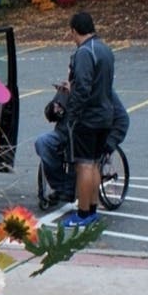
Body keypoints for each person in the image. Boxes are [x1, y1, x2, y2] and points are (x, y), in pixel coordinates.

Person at [59, 11, 115, 228]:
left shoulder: (84, 52)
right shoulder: (105, 49)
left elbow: (83, 86)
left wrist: (72, 115)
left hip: (88, 117)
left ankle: (82, 213)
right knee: (94, 164)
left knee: (83, 165)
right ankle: (91, 210)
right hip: (105, 114)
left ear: (74, 30)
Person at [35, 82, 127, 211]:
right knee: (43, 142)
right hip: (64, 134)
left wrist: (109, 144)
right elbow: (50, 116)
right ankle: (61, 187)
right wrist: (54, 109)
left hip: (86, 137)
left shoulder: (103, 91)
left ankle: (75, 194)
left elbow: (122, 120)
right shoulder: (67, 88)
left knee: (78, 152)